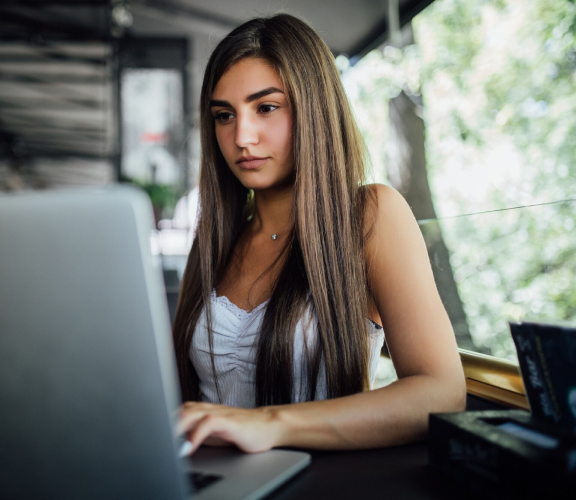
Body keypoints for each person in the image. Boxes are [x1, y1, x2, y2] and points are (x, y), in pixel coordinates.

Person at [172, 13, 466, 455]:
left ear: (313, 108)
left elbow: (441, 392)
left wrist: (269, 424)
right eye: (224, 115)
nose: (241, 136)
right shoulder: (214, 240)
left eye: (266, 107)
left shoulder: (370, 216)